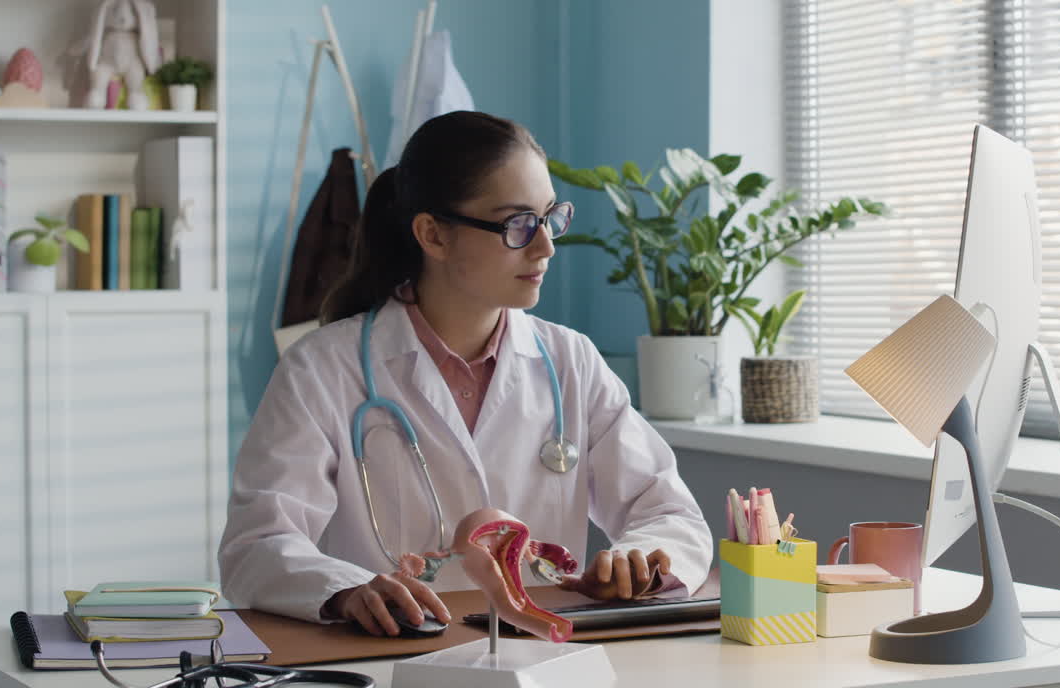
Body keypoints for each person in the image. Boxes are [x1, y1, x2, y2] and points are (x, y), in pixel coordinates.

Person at [219, 110, 713, 637]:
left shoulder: (571, 361)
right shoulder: (321, 370)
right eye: (518, 225)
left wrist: (639, 559)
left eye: (550, 217)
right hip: (393, 657)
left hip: (540, 659)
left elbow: (672, 514)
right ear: (433, 234)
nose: (546, 246)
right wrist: (343, 589)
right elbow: (258, 544)